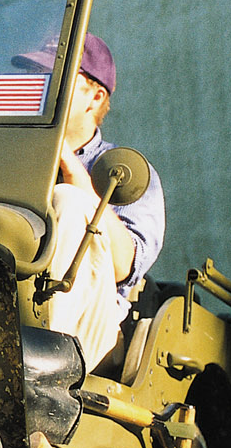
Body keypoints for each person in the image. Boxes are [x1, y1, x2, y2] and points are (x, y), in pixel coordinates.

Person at [17, 33, 165, 371]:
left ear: (94, 97)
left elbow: (126, 266)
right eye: (31, 75)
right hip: (1, 303)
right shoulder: (6, 156)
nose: (36, 86)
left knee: (68, 200)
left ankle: (40, 369)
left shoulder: (120, 168)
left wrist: (71, 169)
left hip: (89, 331)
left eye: (52, 78)